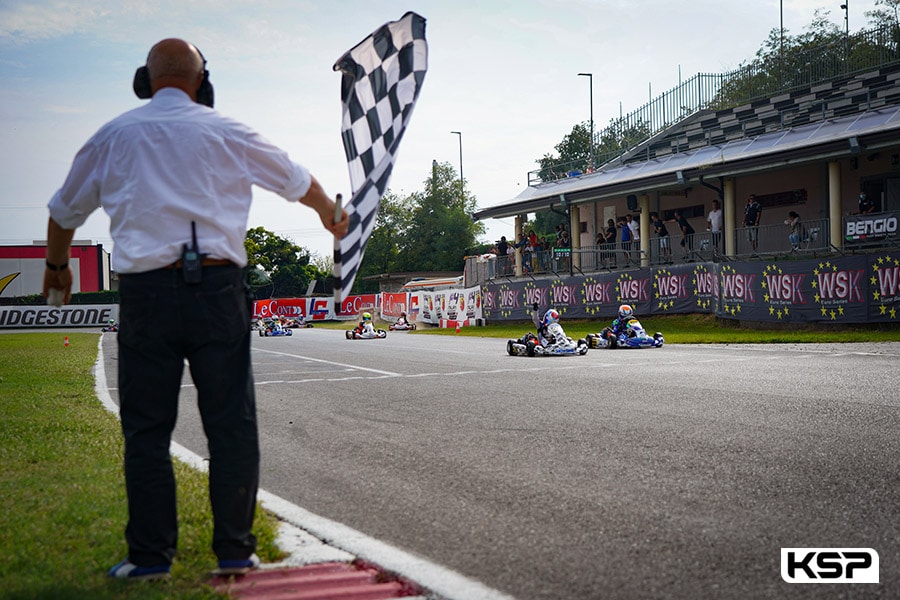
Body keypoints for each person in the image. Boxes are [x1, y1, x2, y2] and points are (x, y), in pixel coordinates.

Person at [42, 39, 349, 581]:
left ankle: (149, 558)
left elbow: (64, 210)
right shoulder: (228, 130)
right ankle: (234, 549)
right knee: (231, 424)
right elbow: (298, 181)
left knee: (147, 430)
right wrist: (329, 215)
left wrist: (58, 267)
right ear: (202, 83)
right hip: (218, 292)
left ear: (145, 79)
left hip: (145, 295)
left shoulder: (113, 135)